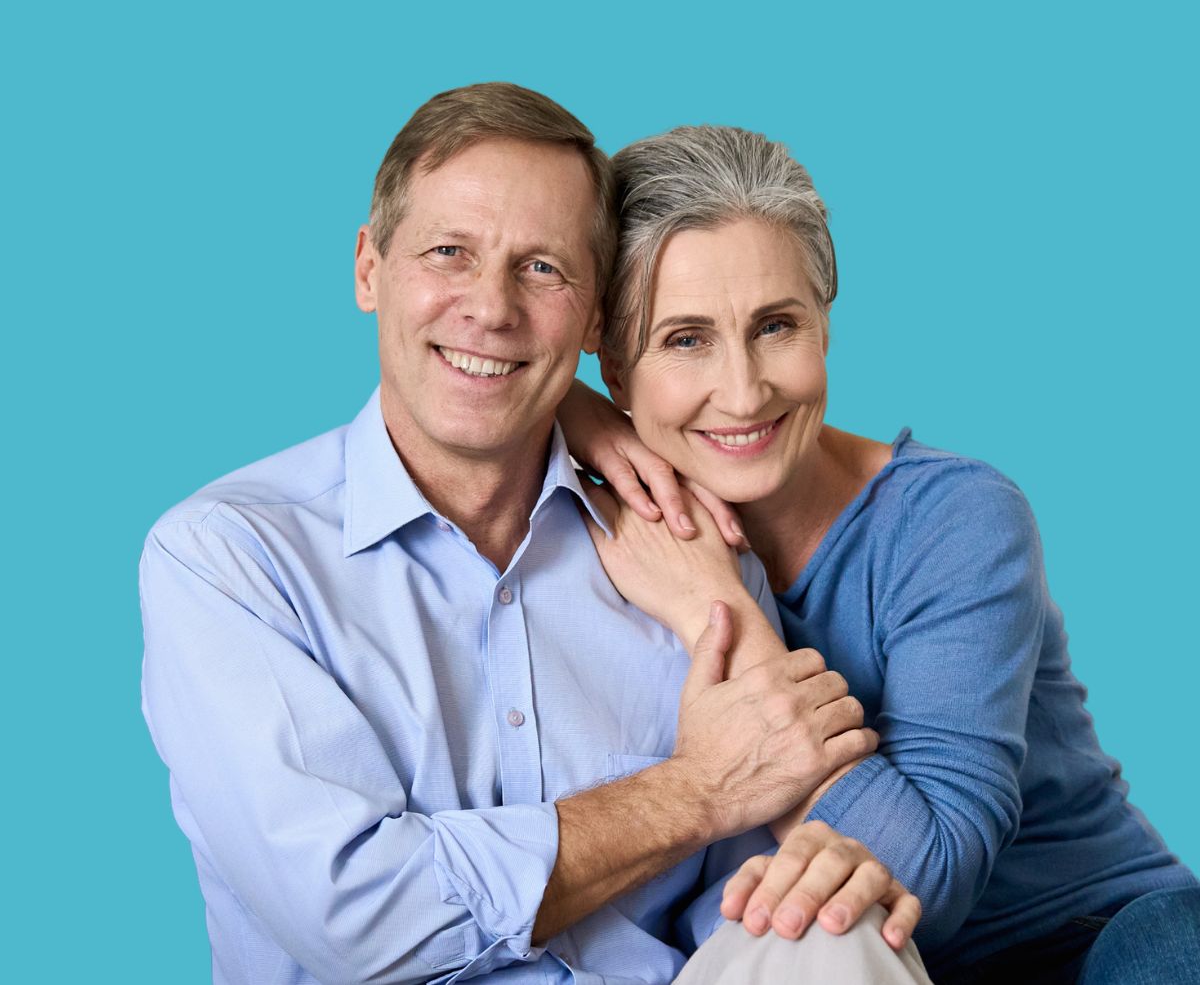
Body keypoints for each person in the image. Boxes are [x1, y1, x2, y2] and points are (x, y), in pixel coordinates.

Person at [139, 84, 932, 985]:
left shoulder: (684, 548)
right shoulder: (230, 560)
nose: (491, 308)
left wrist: (821, 886)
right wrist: (693, 790)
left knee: (834, 927)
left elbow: (747, 896)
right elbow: (358, 915)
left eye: (543, 268)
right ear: (368, 269)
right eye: (449, 252)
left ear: (593, 319)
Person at [557, 123, 1200, 984]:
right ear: (610, 359)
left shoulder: (956, 519)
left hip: (1091, 940)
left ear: (824, 325)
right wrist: (569, 406)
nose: (743, 391)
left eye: (775, 325)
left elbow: (927, 878)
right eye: (684, 339)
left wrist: (722, 609)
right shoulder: (588, 521)